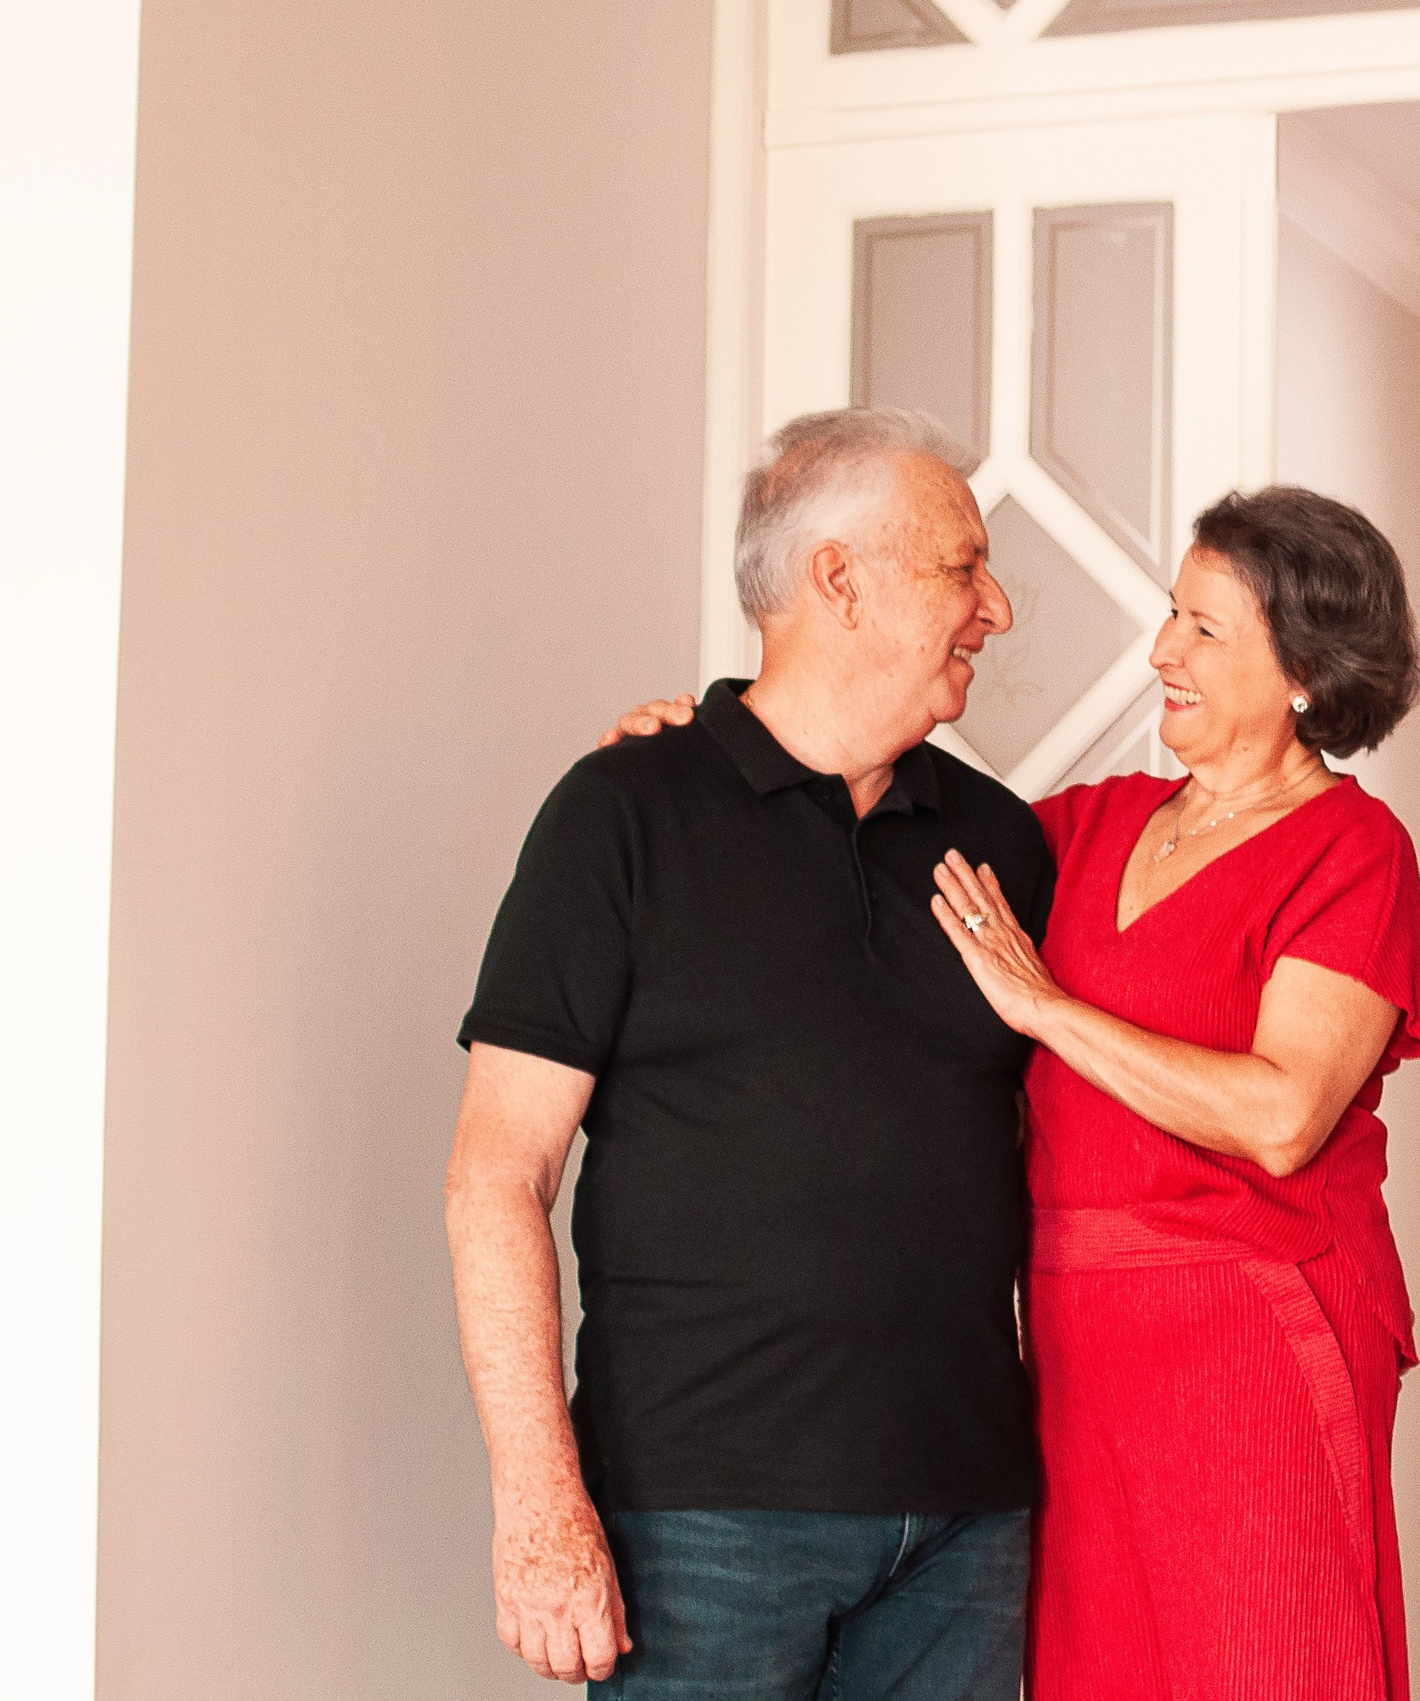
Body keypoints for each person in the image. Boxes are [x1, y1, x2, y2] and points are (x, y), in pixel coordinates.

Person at [611, 486, 1420, 1699]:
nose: (1162, 649)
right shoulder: (1083, 830)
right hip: (1068, 1356)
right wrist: (698, 752)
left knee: (1258, 1660)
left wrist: (1049, 1009)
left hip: (1247, 1348)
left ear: (1308, 671)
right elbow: (865, 815)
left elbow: (1281, 1117)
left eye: (1207, 631)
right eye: (1172, 614)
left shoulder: (1352, 852)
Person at [444, 406, 1049, 1696]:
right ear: (837, 579)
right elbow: (497, 1176)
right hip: (701, 1521)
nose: (995, 609)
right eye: (961, 566)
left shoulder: (1007, 843)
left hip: (967, 1521)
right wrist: (540, 1508)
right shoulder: (620, 815)